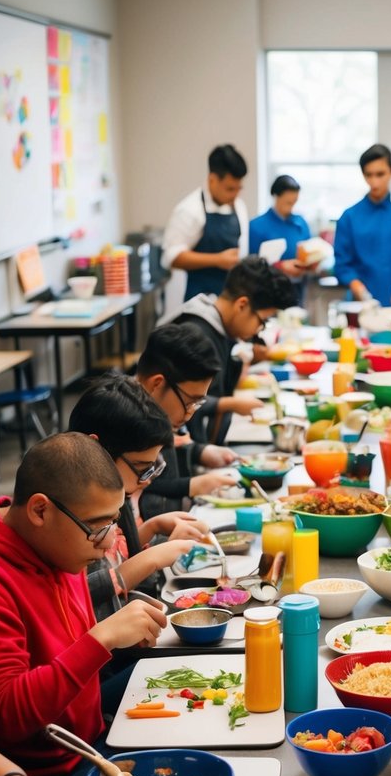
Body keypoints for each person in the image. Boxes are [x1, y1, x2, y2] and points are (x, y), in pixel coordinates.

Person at [0, 433, 167, 776]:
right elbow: (3, 715)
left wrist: (115, 635)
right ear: (40, 510)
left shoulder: (59, 545)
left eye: (114, 522)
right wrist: (101, 639)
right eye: (98, 528)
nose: (109, 543)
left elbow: (62, 649)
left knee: (182, 683)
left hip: (89, 729)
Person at [68, 375, 209, 621]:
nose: (147, 480)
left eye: (153, 468)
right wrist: (147, 561)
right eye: (140, 467)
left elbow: (115, 557)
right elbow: (74, 597)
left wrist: (150, 529)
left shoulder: (111, 500)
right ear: (96, 450)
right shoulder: (69, 514)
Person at [168, 256, 296, 444]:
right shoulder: (194, 335)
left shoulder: (217, 327)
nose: (260, 330)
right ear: (242, 305)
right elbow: (176, 405)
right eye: (263, 321)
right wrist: (231, 404)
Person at [135, 322, 242, 518]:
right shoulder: (124, 424)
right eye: (190, 402)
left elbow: (171, 452)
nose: (190, 413)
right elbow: (139, 483)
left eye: (199, 403)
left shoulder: (157, 412)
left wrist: (200, 452)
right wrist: (192, 485)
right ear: (157, 384)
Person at [333, 144, 391, 309]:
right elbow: (342, 264)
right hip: (361, 305)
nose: (374, 182)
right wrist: (361, 293)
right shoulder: (349, 217)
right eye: (369, 175)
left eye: (380, 174)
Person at [162, 144, 249, 301]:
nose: (236, 195)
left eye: (239, 188)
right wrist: (217, 260)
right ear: (212, 180)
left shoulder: (239, 206)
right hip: (198, 302)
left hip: (230, 299)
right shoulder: (189, 210)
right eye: (230, 189)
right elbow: (172, 257)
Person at [249, 174, 311, 280]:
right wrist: (280, 266)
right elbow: (251, 265)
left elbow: (309, 252)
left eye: (294, 202)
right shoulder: (256, 226)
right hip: (268, 287)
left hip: (298, 286)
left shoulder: (301, 223)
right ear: (276, 196)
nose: (291, 207)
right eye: (288, 203)